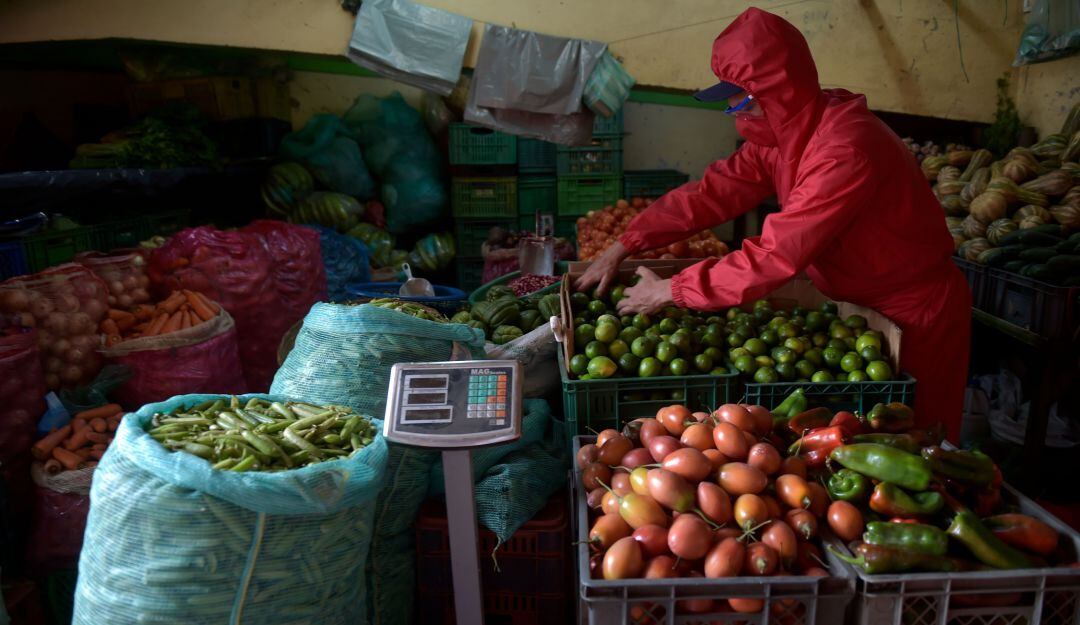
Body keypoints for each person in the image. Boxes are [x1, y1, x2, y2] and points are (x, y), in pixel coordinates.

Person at [575, 7, 971, 441]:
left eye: (739, 100)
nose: (732, 110)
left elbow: (777, 253)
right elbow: (714, 192)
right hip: (858, 307)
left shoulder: (843, 149)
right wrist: (626, 243)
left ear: (774, 93)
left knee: (923, 443)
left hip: (914, 311)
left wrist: (671, 290)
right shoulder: (784, 134)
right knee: (865, 437)